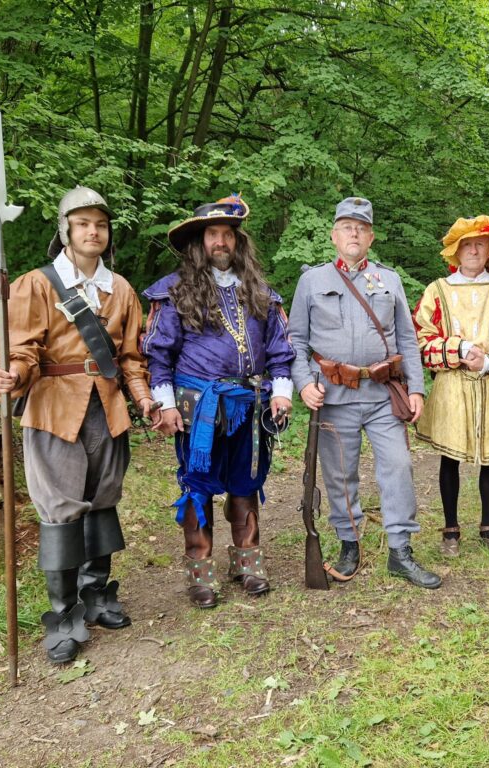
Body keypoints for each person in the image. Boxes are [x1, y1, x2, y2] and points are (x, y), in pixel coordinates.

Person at [0, 186, 157, 663]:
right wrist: (12, 374)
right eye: (83, 224)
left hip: (107, 407)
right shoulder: (35, 285)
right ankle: (63, 614)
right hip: (54, 408)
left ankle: (96, 594)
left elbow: (132, 357)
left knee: (103, 500)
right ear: (66, 231)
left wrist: (144, 398)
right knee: (59, 510)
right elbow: (19, 348)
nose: (93, 231)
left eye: (100, 224)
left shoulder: (121, 290)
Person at [142, 195, 295, 609]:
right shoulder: (174, 293)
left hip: (250, 403)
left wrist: (281, 393)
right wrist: (165, 404)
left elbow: (280, 350)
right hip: (199, 408)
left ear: (238, 242)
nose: (221, 242)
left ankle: (247, 562)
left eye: (228, 234)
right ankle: (200, 571)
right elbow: (159, 355)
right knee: (199, 486)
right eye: (213, 234)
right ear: (200, 242)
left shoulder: (260, 292)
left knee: (247, 482)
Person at [287, 197, 441, 589]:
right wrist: (304, 382)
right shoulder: (312, 281)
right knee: (340, 474)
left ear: (370, 237)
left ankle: (400, 550)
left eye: (361, 228)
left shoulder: (389, 280)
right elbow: (295, 341)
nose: (354, 233)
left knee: (398, 467)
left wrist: (416, 388)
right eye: (347, 227)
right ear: (334, 235)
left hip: (382, 394)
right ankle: (349, 544)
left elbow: (407, 338)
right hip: (333, 396)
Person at [412, 216, 489, 556]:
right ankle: (450, 530)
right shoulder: (438, 290)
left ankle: (488, 527)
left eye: (479, 244)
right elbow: (421, 337)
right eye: (466, 245)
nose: (472, 250)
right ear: (456, 251)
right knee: (450, 457)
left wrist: (488, 361)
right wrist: (460, 350)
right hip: (452, 386)